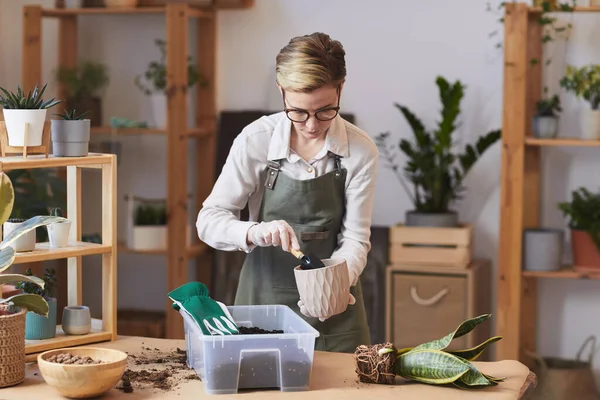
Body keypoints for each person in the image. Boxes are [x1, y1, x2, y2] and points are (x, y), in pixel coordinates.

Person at [196, 32, 379, 353]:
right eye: (298, 112)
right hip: (262, 305)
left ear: (341, 88)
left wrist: (331, 288)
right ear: (281, 92)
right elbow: (208, 222)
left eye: (325, 111)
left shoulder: (359, 150)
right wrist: (255, 231)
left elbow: (355, 239)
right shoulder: (256, 141)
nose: (311, 125)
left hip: (335, 313)